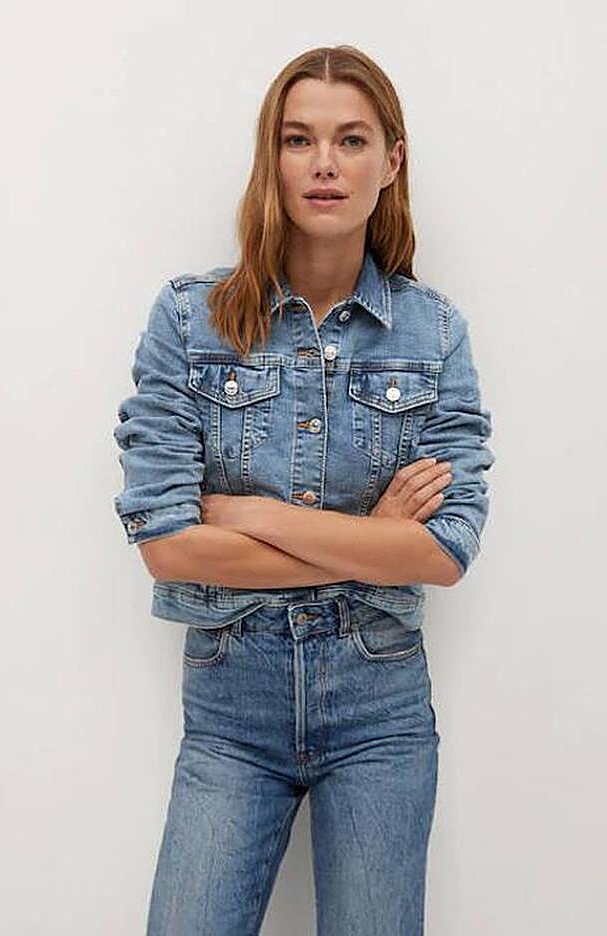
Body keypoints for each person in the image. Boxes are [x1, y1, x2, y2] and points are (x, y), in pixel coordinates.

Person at [113, 44, 495, 936]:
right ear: (271, 158)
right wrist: (372, 542)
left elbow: (443, 552)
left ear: (390, 162)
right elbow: (168, 545)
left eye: (351, 139)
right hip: (230, 710)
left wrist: (256, 517)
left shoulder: (434, 333)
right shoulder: (190, 320)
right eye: (299, 139)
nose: (325, 163)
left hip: (379, 708)